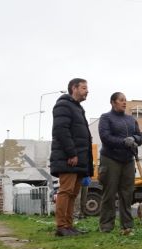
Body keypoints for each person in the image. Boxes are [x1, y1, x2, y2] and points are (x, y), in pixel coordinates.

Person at [50, 78, 93, 237]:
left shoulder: (77, 108)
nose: (87, 91)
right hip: (69, 158)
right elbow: (61, 130)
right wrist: (71, 153)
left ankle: (68, 225)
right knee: (66, 191)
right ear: (74, 88)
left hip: (79, 159)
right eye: (84, 88)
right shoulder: (63, 105)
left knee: (73, 193)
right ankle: (61, 226)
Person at [98, 92, 142, 235]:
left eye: (125, 100)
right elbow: (105, 137)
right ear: (113, 102)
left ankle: (127, 225)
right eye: (121, 100)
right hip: (110, 159)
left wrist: (134, 138)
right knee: (109, 194)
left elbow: (140, 137)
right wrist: (123, 142)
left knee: (127, 194)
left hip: (128, 161)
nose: (124, 103)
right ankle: (106, 226)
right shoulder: (106, 118)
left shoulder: (131, 119)